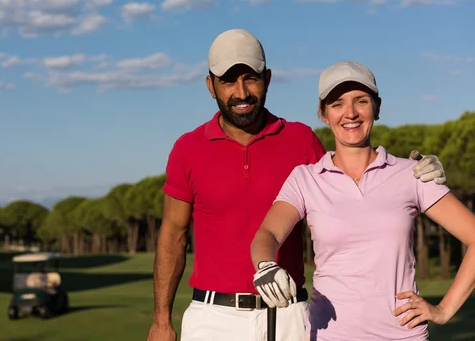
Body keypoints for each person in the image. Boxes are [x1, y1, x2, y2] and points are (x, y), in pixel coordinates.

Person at [146, 29, 448, 341]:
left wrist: (411, 171)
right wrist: (161, 320)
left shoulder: (301, 140)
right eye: (227, 81)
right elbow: (172, 235)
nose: (241, 91)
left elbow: (353, 182)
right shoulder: (188, 148)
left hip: (290, 317)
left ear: (268, 79)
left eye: (251, 78)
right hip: (213, 317)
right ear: (210, 86)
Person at [250, 61, 475, 340]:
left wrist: (444, 309)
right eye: (337, 104)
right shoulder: (306, 178)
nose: (351, 113)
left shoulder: (412, 174)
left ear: (377, 108)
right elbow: (268, 232)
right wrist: (265, 265)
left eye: (361, 101)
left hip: (402, 336)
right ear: (323, 114)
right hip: (330, 335)